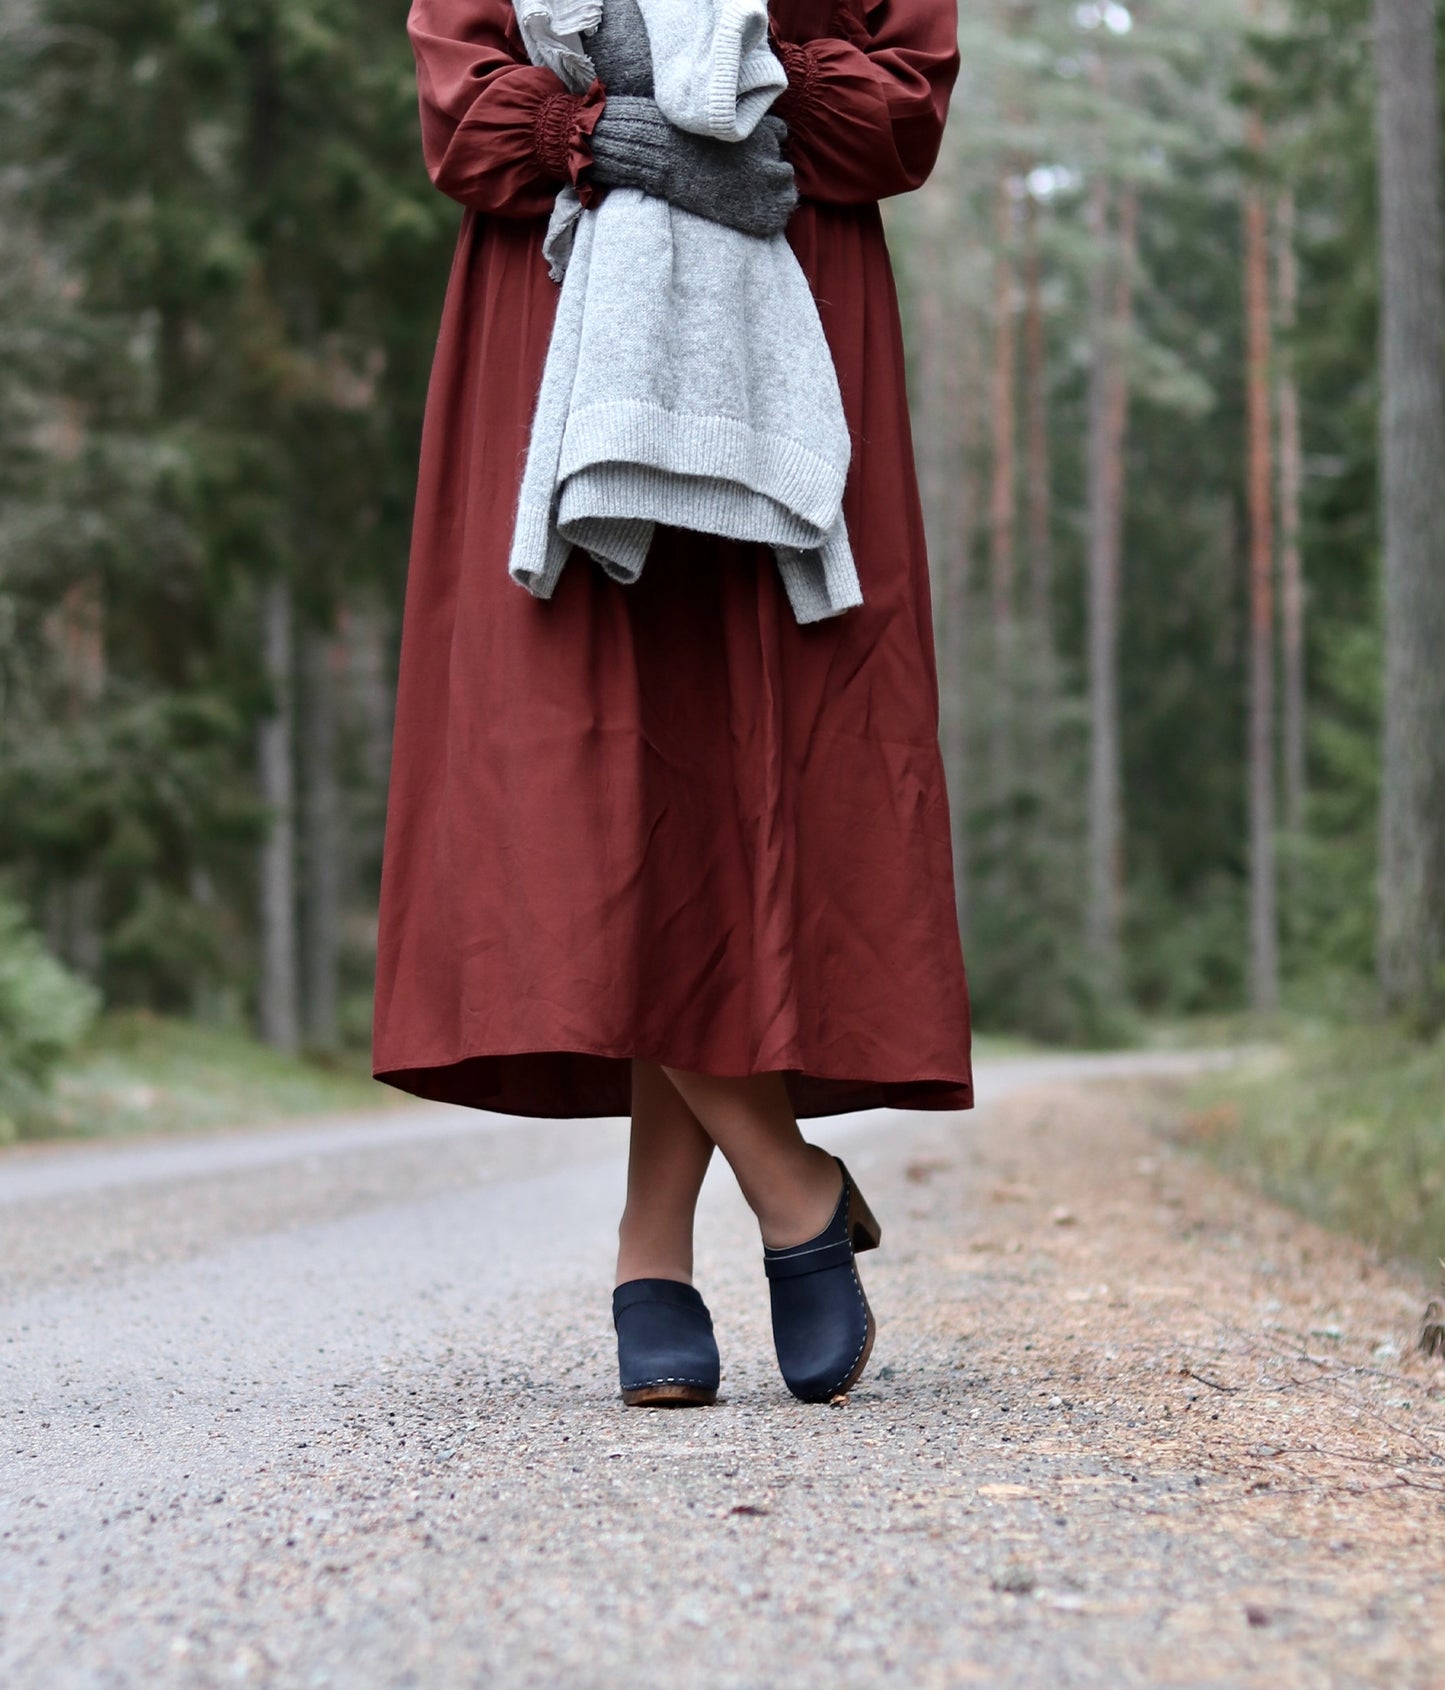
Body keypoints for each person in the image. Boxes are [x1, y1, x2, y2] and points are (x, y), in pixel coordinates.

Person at [374, 0, 973, 1407]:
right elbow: (463, 110)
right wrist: (606, 131)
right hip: (560, 317)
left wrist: (729, 96)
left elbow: (902, 105)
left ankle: (653, 1247)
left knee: (729, 773)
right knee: (593, 797)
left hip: (786, 317)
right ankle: (786, 1181)